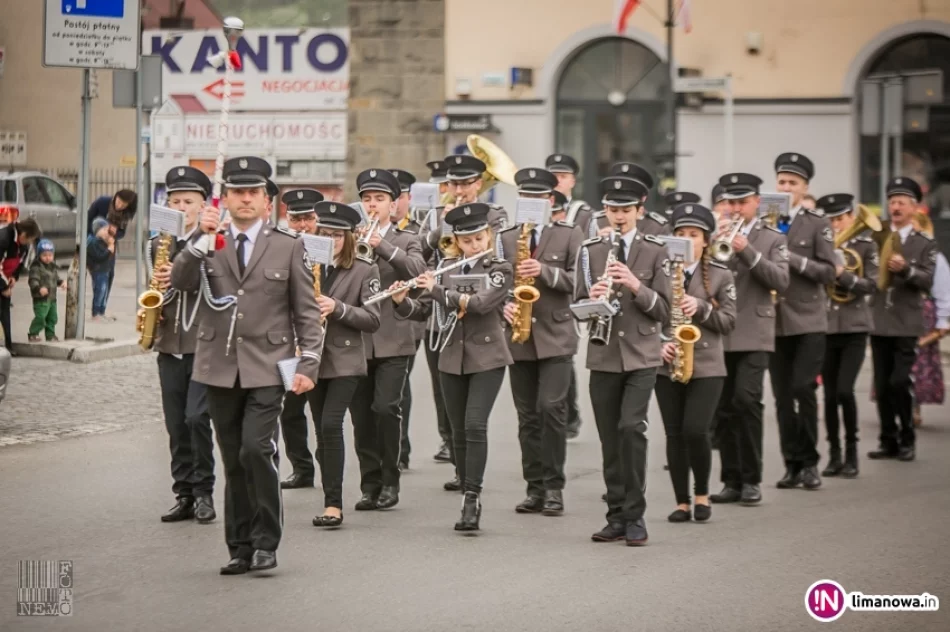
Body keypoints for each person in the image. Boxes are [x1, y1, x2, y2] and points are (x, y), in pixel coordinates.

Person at [171, 155, 323, 575]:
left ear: (266, 201)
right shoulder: (209, 241)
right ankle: (239, 546)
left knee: (257, 449)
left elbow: (306, 311)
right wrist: (198, 240)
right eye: (237, 192)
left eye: (253, 192)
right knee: (233, 458)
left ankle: (266, 541)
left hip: (269, 365)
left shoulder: (288, 245)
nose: (245, 199)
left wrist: (309, 362)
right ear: (226, 199)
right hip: (219, 365)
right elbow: (180, 282)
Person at [396, 202, 513, 532]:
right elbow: (424, 311)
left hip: (487, 357)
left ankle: (472, 497)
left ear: (488, 237)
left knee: (475, 424)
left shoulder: (499, 268)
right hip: (450, 357)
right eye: (467, 241)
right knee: (458, 429)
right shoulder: (446, 267)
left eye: (479, 239)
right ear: (457, 242)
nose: (474, 245)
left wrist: (436, 290)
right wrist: (401, 301)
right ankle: (465, 483)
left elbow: (480, 304)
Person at [574, 174, 671, 546]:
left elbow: (664, 310)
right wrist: (592, 298)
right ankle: (615, 516)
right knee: (610, 439)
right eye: (613, 210)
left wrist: (634, 284)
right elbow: (576, 305)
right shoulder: (590, 250)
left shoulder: (656, 249)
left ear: (639, 211)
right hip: (604, 354)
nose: (619, 216)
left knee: (631, 429)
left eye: (626, 210)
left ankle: (635, 516)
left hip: (642, 354)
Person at [497, 167, 584, 516]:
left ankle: (554, 487)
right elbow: (496, 280)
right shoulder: (506, 236)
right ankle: (534, 487)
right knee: (528, 417)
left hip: (556, 336)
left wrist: (544, 272)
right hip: (519, 336)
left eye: (537, 196)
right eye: (525, 196)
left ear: (550, 200)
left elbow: (580, 282)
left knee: (551, 409)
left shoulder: (569, 233)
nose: (531, 201)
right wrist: (502, 305)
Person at [349, 168, 426, 511]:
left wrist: (384, 246)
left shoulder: (407, 239)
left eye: (379, 199)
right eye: (367, 199)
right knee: (361, 416)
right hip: (358, 339)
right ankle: (370, 485)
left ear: (393, 205)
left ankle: (390, 481)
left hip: (394, 339)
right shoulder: (350, 236)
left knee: (385, 408)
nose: (372, 205)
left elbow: (417, 272)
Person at [710, 173, 789, 505]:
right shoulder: (715, 234)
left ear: (757, 201)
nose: (735, 208)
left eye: (742, 202)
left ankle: (752, 479)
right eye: (731, 202)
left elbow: (781, 281)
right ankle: (731, 480)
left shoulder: (772, 237)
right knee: (724, 407)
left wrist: (749, 251)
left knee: (746, 400)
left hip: (755, 332)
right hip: (721, 331)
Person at [655, 203, 737, 523]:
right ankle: (682, 502)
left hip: (706, 364)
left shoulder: (721, 273)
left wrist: (702, 307)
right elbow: (647, 315)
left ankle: (702, 494)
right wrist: (659, 343)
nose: (687, 239)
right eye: (681, 233)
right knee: (674, 433)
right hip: (668, 362)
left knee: (695, 430)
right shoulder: (661, 272)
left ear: (706, 240)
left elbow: (729, 322)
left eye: (694, 234)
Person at [148, 166, 218, 524]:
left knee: (197, 418)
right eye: (174, 201)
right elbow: (154, 291)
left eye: (188, 202)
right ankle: (184, 493)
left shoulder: (213, 242)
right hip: (169, 345)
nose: (180, 207)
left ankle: (204, 491)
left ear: (202, 206)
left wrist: (179, 270)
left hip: (202, 343)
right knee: (176, 424)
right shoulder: (156, 244)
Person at [309, 200, 382, 528]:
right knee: (321, 433)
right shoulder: (305, 264)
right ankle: (330, 491)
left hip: (346, 360)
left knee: (330, 425)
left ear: (349, 237)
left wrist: (337, 308)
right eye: (324, 234)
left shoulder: (365, 269)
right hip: (312, 358)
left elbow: (373, 319)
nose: (331, 241)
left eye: (337, 235)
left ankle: (333, 506)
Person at [770, 152, 837, 491]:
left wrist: (791, 258)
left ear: (804, 187)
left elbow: (829, 271)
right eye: (781, 181)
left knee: (802, 388)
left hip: (809, 320)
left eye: (792, 183)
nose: (785, 187)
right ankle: (791, 464)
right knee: (782, 397)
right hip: (774, 321)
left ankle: (810, 462)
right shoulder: (766, 221)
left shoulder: (816, 223)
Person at [868, 177, 937, 462]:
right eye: (892, 202)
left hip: (907, 322)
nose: (895, 207)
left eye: (901, 203)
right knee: (882, 385)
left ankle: (907, 438)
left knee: (899, 381)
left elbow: (928, 280)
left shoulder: (924, 243)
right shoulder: (877, 236)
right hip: (879, 319)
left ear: (914, 207)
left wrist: (906, 270)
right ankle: (888, 440)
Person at [819, 194, 878, 479]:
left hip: (855, 327)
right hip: (827, 327)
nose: (835, 225)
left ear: (851, 218)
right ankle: (834, 454)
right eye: (830, 220)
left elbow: (872, 285)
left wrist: (843, 275)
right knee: (829, 395)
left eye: (840, 219)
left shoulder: (865, 246)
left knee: (844, 390)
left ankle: (852, 451)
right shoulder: (821, 246)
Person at [277, 188, 326, 490]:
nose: (303, 226)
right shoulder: (282, 248)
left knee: (323, 413)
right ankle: (301, 468)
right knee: (290, 410)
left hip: (325, 339)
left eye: (308, 218)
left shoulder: (332, 247)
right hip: (290, 340)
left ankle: (328, 467)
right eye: (296, 219)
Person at [545, 153, 589, 440]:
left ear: (573, 181)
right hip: (541, 290)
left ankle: (568, 412)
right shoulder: (539, 207)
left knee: (563, 354)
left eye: (562, 176)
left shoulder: (583, 213)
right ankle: (563, 411)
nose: (558, 181)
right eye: (553, 176)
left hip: (569, 288)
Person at [420, 159, 455, 466]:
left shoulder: (489, 214)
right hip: (436, 311)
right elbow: (418, 254)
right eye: (442, 185)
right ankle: (447, 438)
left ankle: (462, 443)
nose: (445, 190)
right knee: (439, 381)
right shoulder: (431, 215)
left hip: (469, 307)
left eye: (449, 184)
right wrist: (436, 232)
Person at [389, 168, 423, 471]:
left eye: (399, 196)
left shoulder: (418, 229)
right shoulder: (362, 229)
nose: (395, 202)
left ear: (407, 198)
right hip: (373, 320)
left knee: (400, 384)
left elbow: (422, 270)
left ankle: (400, 448)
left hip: (410, 316)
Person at [909, 212, 948, 426]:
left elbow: (943, 290)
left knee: (917, 362)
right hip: (898, 312)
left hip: (924, 313)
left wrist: (942, 320)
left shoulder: (936, 258)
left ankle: (913, 407)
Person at [86, 189, 138, 320]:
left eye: (123, 205)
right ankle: (96, 312)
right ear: (115, 197)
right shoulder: (103, 202)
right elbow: (87, 219)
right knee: (99, 278)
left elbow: (122, 232)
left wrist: (115, 233)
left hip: (110, 245)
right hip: (95, 243)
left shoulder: (125, 214)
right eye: (118, 201)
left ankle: (101, 310)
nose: (119, 206)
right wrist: (96, 234)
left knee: (109, 276)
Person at [0, 217, 42, 353]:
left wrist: (14, 276)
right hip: (1, 279)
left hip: (5, 278)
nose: (30, 243)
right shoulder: (4, 238)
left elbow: (20, 262)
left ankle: (7, 346)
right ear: (23, 235)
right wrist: (3, 286)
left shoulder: (23, 245)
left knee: (5, 313)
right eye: (30, 240)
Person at [27, 239, 66, 342]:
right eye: (44, 255)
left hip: (52, 298)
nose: (48, 257)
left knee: (52, 318)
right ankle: (33, 333)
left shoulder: (52, 266)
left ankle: (50, 335)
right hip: (41, 298)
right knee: (41, 317)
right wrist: (39, 288)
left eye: (50, 255)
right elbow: (33, 280)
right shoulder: (36, 267)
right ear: (39, 255)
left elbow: (56, 278)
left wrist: (61, 282)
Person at [87, 218, 116, 320]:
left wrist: (110, 245)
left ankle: (101, 311)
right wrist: (109, 249)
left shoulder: (101, 241)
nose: (106, 232)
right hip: (98, 270)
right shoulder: (93, 242)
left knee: (104, 292)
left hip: (104, 269)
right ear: (97, 230)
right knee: (99, 290)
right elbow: (100, 257)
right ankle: (95, 313)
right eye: (104, 230)